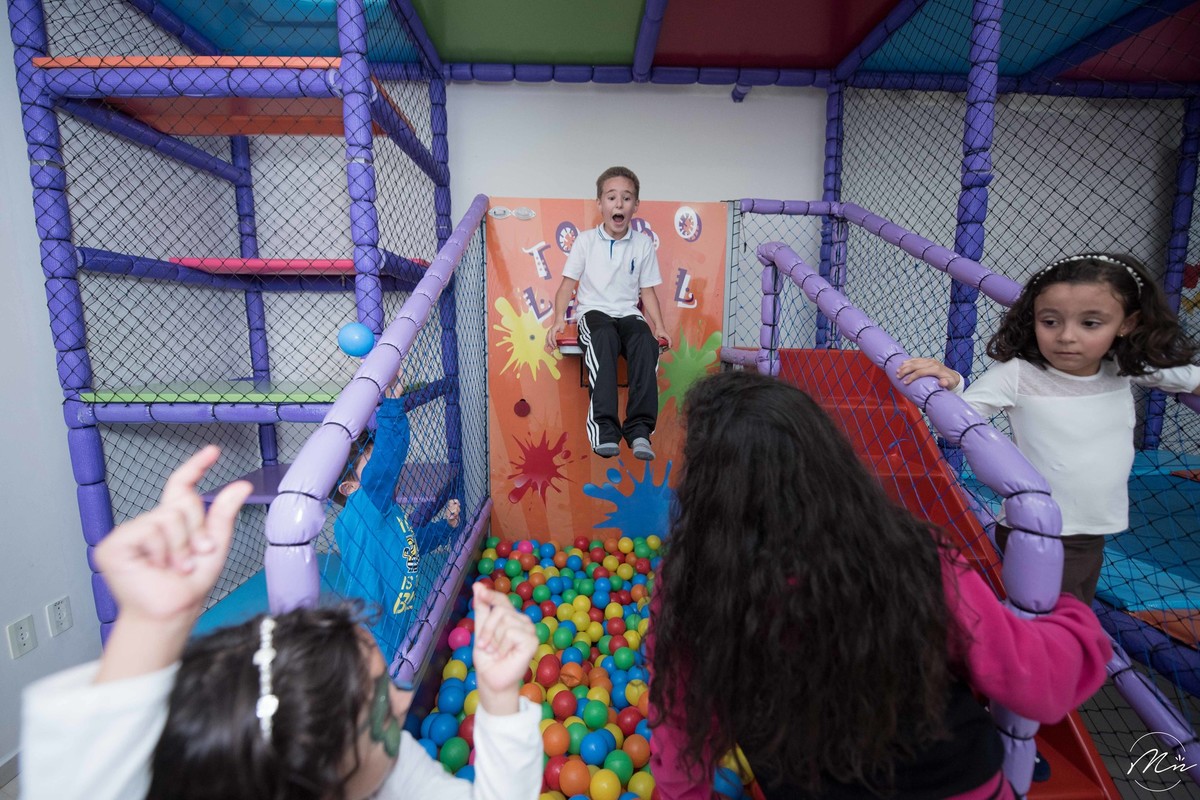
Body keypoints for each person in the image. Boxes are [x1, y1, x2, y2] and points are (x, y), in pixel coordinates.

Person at [647, 370, 1112, 800]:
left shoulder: (693, 581)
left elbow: (680, 722)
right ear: (829, 458)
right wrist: (1076, 616)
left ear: (704, 485)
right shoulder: (912, 554)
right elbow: (1033, 680)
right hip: (956, 782)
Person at [20, 446, 541, 800]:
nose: (403, 703)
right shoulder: (362, 513)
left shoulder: (383, 764)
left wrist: (150, 626)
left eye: (383, 688)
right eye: (383, 709)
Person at [899, 252, 1200, 604]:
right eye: (1051, 321)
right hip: (1038, 528)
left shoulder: (1123, 366)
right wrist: (952, 384)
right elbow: (956, 421)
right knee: (1052, 619)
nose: (1066, 337)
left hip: (1092, 528)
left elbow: (1190, 378)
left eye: (1090, 323)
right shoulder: (1018, 373)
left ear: (1126, 324)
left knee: (1074, 611)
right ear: (1034, 320)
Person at [545, 166, 671, 461]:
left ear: (635, 206)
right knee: (603, 338)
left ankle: (639, 430)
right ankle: (604, 429)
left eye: (626, 198)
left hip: (628, 314)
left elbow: (648, 291)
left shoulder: (642, 244)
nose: (619, 204)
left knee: (645, 343)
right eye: (611, 197)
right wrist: (558, 320)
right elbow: (567, 286)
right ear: (599, 204)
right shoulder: (586, 242)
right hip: (595, 313)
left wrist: (660, 326)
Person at [333, 371, 462, 654]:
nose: (379, 464)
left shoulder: (387, 512)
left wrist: (447, 527)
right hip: (375, 641)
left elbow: (409, 543)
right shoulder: (362, 511)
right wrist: (392, 403)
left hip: (399, 626)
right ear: (349, 487)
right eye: (370, 461)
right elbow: (388, 460)